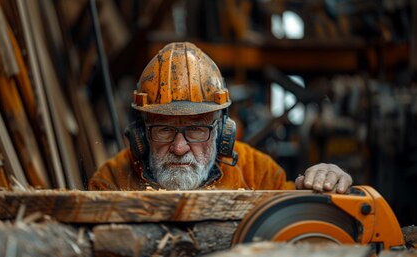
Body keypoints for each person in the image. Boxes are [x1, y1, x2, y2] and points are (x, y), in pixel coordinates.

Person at [88, 42, 352, 192]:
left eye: (196, 130)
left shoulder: (257, 173)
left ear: (223, 132)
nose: (179, 148)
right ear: (141, 135)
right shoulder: (111, 181)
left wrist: (325, 183)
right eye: (164, 130)